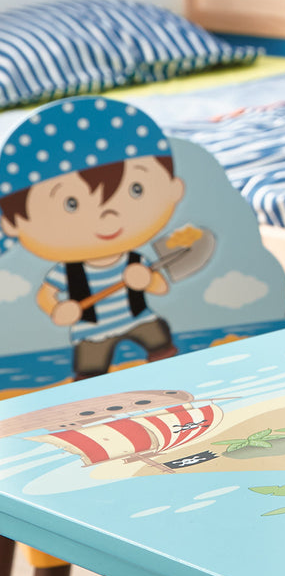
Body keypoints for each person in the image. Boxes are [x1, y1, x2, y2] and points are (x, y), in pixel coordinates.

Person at [0, 96, 186, 379]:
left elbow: (160, 287)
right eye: (70, 204)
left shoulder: (134, 258)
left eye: (136, 189)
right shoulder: (67, 271)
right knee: (90, 368)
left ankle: (170, 370)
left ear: (174, 189)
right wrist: (59, 309)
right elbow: (46, 294)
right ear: (13, 223)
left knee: (158, 336)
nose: (108, 217)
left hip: (138, 318)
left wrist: (148, 279)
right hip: (92, 330)